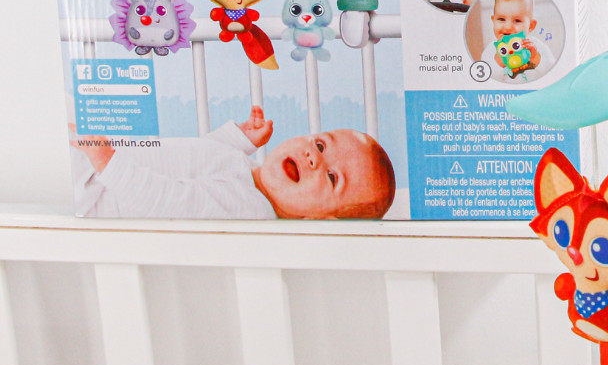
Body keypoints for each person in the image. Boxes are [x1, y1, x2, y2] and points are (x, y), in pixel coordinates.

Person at [70, 107, 396, 219]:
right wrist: (239, 139)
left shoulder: (248, 210)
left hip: (99, 190)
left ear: (322, 220)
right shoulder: (249, 178)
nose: (315, 158)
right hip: (100, 166)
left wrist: (106, 161)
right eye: (321, 145)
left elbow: (171, 202)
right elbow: (204, 160)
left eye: (333, 177)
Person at [485, 0, 555, 82]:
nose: (508, 27)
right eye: (501, 19)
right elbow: (486, 78)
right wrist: (499, 61)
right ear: (493, 21)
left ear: (530, 26)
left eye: (517, 21)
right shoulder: (491, 50)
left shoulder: (536, 47)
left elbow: (552, 71)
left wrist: (535, 58)